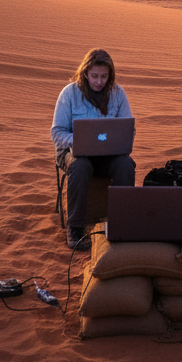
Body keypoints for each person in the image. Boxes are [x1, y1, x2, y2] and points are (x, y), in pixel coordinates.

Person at [51, 48, 135, 251]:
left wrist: (118, 142)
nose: (99, 82)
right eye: (95, 76)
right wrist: (79, 141)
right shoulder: (69, 93)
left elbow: (128, 130)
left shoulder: (118, 93)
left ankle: (121, 223)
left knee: (126, 164)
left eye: (104, 76)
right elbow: (57, 133)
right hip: (73, 153)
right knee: (80, 166)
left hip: (107, 155)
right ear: (85, 73)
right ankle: (76, 228)